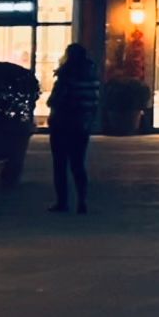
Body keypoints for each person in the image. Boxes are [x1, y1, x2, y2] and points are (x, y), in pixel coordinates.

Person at [46, 44, 100, 214]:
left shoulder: (66, 78)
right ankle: (82, 201)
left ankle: (62, 202)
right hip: (82, 126)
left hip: (62, 125)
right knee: (78, 164)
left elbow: (54, 101)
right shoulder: (93, 79)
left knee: (60, 164)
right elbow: (94, 104)